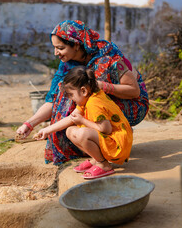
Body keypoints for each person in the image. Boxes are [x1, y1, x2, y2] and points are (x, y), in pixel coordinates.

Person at [16, 20, 148, 165]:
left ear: (76, 44)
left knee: (87, 96)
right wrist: (29, 125)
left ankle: (113, 142)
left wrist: (101, 86)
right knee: (67, 89)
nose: (56, 53)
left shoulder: (109, 58)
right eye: (54, 48)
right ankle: (95, 147)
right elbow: (53, 100)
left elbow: (134, 91)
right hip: (97, 103)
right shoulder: (66, 65)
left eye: (60, 48)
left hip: (130, 103)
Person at [33, 67, 133, 179]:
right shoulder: (87, 98)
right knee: (70, 131)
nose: (70, 98)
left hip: (117, 144)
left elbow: (106, 129)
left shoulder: (94, 103)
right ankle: (96, 159)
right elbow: (71, 118)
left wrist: (82, 121)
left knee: (82, 134)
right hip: (110, 139)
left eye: (71, 94)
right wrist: (47, 130)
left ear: (84, 90)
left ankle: (103, 164)